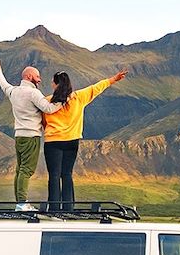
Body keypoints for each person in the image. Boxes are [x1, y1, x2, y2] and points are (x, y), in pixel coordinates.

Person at [43, 68, 128, 210]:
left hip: (53, 141)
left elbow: (43, 120)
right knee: (67, 174)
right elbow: (97, 87)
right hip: (71, 141)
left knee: (54, 175)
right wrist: (114, 79)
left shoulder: (47, 101)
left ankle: (54, 209)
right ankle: (68, 207)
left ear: (55, 84)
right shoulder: (79, 97)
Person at [0, 59, 62, 211]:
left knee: (20, 169)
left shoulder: (14, 91)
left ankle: (20, 202)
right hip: (32, 137)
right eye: (37, 76)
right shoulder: (33, 93)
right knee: (26, 170)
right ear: (30, 77)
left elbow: (4, 85)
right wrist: (63, 101)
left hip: (19, 137)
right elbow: (48, 109)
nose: (40, 79)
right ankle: (22, 204)